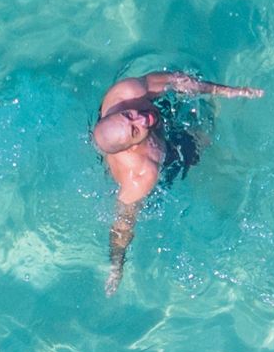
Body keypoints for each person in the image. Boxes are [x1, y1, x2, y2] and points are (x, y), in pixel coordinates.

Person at [93, 68, 263, 292]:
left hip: (136, 134)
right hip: (165, 156)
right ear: (132, 146)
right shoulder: (141, 175)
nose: (142, 119)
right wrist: (117, 266)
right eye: (134, 130)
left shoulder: (126, 94)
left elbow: (175, 81)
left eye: (129, 115)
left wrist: (229, 92)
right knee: (204, 137)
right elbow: (123, 222)